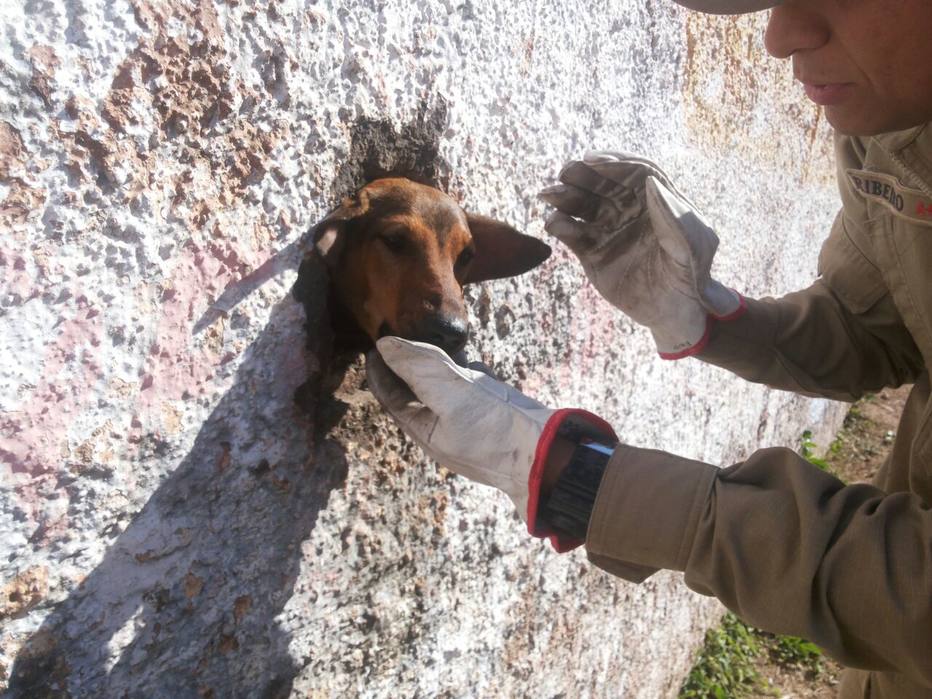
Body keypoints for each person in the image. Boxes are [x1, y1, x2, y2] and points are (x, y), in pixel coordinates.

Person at [365, 1, 932, 697]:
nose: (782, 35)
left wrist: (578, 476)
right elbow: (879, 328)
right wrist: (707, 315)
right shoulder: (898, 125)